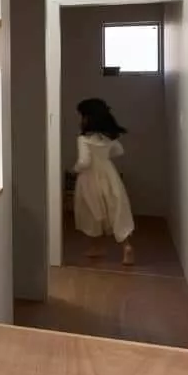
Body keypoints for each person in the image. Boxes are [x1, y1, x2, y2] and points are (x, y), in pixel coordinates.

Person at [73, 98, 135, 266]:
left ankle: (96, 246)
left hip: (89, 178)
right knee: (115, 209)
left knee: (93, 211)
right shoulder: (108, 138)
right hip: (109, 174)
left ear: (87, 118)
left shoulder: (83, 139)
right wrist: (104, 157)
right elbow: (119, 151)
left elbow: (84, 161)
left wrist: (76, 169)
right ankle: (126, 246)